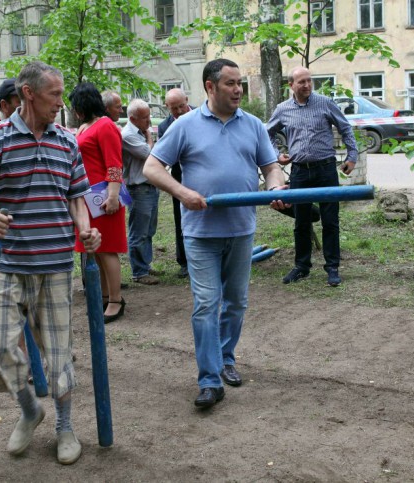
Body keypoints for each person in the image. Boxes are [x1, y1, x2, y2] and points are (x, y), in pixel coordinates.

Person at [0, 61, 101, 465]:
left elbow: (76, 197)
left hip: (55, 265)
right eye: (54, 94)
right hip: (7, 265)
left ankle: (65, 426)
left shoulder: (66, 141)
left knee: (58, 355)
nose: (61, 102)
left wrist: (84, 230)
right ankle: (30, 409)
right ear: (29, 93)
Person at [143, 58, 285, 408]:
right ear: (210, 86)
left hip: (241, 230)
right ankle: (209, 380)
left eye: (240, 83)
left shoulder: (252, 125)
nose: (238, 89)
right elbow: (151, 167)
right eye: (230, 83)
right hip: (200, 233)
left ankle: (226, 358)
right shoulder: (185, 125)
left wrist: (276, 187)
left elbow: (270, 167)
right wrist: (182, 193)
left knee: (236, 301)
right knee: (207, 303)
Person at [266, 66, 358, 287]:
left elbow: (345, 128)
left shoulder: (325, 103)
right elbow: (267, 133)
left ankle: (333, 267)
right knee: (301, 222)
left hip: (326, 169)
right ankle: (302, 266)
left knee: (330, 221)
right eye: (301, 82)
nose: (307, 85)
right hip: (299, 171)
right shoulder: (282, 109)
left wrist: (352, 156)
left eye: (309, 81)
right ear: (291, 85)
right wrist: (277, 154)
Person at [69, 82, 128, 323]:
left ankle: (115, 300)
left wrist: (113, 196)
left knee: (107, 250)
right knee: (96, 251)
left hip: (104, 198)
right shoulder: (84, 127)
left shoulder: (106, 125)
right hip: (87, 199)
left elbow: (114, 163)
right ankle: (104, 297)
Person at [122, 99, 160, 285]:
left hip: (150, 186)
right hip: (138, 189)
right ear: (132, 118)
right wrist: (150, 137)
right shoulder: (128, 135)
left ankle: (145, 264)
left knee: (149, 230)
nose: (149, 120)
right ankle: (139, 271)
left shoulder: (140, 131)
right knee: (138, 230)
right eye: (144, 117)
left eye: (149, 116)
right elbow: (150, 154)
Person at [158, 88, 194, 278]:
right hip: (179, 177)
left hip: (202, 174)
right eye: (174, 108)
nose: (179, 111)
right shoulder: (164, 127)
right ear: (167, 107)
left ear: (187, 100)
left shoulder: (201, 115)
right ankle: (184, 261)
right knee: (181, 218)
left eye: (182, 106)